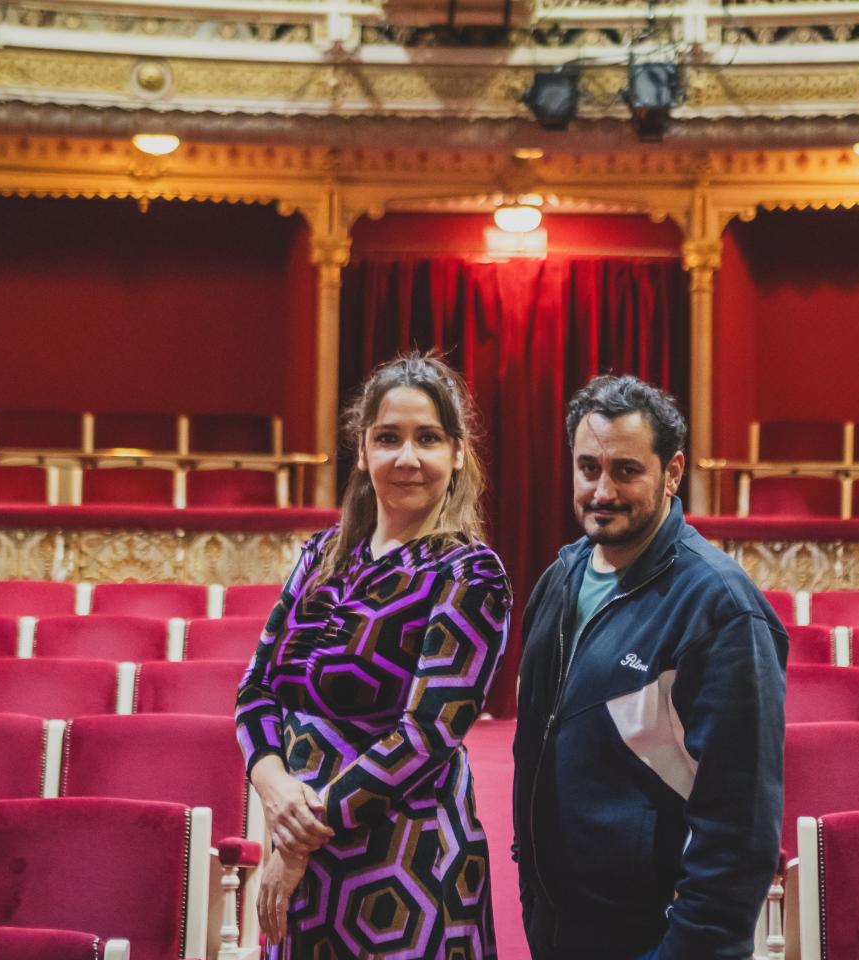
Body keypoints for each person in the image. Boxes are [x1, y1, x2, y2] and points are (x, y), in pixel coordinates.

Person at [236, 352, 510, 960]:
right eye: (388, 438)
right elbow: (256, 692)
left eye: (428, 439)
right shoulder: (322, 554)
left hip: (404, 865)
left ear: (458, 454)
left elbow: (427, 733)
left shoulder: (468, 572)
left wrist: (297, 841)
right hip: (302, 850)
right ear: (362, 451)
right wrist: (276, 788)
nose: (406, 458)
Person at [513, 374, 788, 960]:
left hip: (660, 940)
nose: (602, 489)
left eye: (627, 471)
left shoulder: (721, 608)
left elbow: (739, 829)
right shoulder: (558, 581)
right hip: (561, 930)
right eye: (589, 468)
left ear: (673, 472)